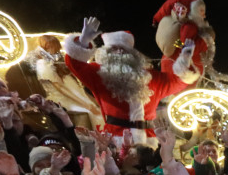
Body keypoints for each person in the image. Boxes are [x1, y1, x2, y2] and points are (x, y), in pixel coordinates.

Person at [63, 17, 199, 145]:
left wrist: (185, 58)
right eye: (113, 49)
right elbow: (75, 64)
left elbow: (178, 81)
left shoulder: (151, 77)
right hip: (115, 139)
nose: (119, 53)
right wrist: (82, 41)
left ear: (132, 54)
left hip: (148, 140)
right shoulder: (99, 74)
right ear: (105, 53)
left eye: (123, 49)